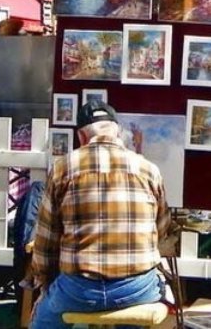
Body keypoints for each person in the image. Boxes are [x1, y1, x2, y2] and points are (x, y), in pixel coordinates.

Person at [29, 101, 174, 328]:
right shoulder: (148, 169)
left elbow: (46, 242)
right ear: (117, 132)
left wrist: (45, 283)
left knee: (43, 318)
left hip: (79, 290)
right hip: (136, 288)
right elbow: (162, 228)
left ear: (82, 137)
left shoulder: (62, 168)